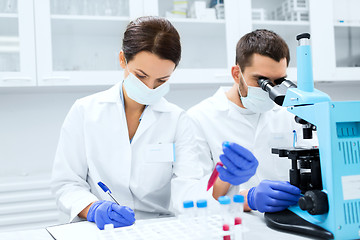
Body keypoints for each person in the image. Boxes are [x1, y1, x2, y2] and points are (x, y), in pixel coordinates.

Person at [51, 16, 257, 230]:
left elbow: (187, 192)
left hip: (155, 228)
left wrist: (223, 180)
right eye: (141, 76)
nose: (150, 88)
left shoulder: (177, 121)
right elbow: (66, 184)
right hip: (99, 227)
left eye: (161, 81)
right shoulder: (85, 111)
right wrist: (93, 208)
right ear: (122, 59)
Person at [188, 29, 315, 213]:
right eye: (261, 81)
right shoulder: (199, 118)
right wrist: (247, 199)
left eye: (278, 82)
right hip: (233, 226)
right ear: (236, 74)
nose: (270, 90)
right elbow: (196, 196)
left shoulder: (290, 113)